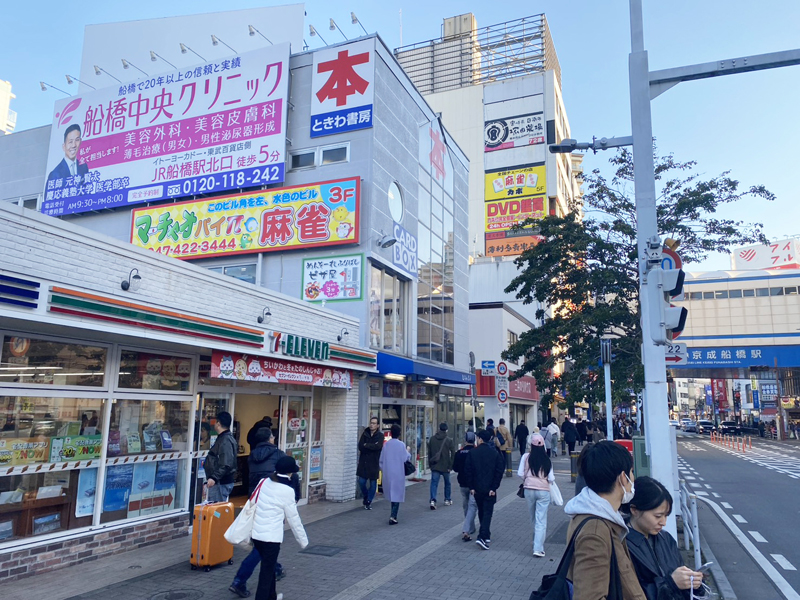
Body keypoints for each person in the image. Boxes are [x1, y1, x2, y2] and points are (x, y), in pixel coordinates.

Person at [563, 440, 646, 600]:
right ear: (623, 477)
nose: (633, 478)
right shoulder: (595, 532)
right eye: (631, 472)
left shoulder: (595, 515)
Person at [624, 476, 705, 600]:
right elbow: (629, 593)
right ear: (634, 510)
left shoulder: (665, 538)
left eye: (666, 516)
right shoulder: (622, 544)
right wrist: (671, 584)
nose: (663, 522)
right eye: (658, 516)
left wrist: (692, 583)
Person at [230, 428, 286, 598]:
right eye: (272, 436)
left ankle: (275, 568)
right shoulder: (278, 455)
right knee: (264, 546)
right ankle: (239, 580)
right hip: (273, 505)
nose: (274, 438)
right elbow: (285, 478)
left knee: (264, 542)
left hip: (255, 503)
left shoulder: (252, 457)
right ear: (270, 439)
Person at [251, 456, 308, 600]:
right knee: (266, 571)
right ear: (289, 473)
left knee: (268, 568)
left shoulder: (263, 482)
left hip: (257, 534)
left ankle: (272, 596)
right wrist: (303, 541)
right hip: (271, 537)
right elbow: (293, 519)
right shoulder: (287, 491)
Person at [464, 429, 505, 550]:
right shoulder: (495, 453)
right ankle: (483, 536)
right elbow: (499, 471)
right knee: (488, 512)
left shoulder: (473, 453)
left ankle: (485, 534)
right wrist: (494, 487)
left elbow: (468, 471)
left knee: (482, 511)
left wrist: (471, 486)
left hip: (477, 489)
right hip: (490, 489)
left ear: (480, 439)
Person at [519, 433, 554, 557]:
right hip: (543, 491)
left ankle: (535, 541)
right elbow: (551, 478)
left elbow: (520, 474)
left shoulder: (526, 457)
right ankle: (538, 548)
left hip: (529, 489)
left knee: (533, 517)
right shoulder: (546, 459)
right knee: (541, 520)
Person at [379, 424, 410, 524]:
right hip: (398, 472)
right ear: (399, 433)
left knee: (392, 494)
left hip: (388, 472)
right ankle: (393, 515)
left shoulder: (386, 445)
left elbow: (381, 460)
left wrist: (384, 470)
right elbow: (405, 458)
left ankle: (393, 514)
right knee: (397, 493)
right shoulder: (401, 445)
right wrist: (408, 451)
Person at [204, 411, 237, 502]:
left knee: (216, 510)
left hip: (220, 482)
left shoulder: (225, 440)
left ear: (218, 423)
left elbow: (226, 463)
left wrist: (214, 477)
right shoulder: (224, 438)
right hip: (220, 481)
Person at [453, 431, 477, 541]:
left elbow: (455, 468)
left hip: (462, 482)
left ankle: (469, 527)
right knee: (473, 505)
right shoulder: (476, 451)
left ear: (465, 440)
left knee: (466, 505)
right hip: (473, 483)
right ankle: (470, 527)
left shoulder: (459, 452)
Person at [357, 416, 383, 510]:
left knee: (373, 483)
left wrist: (367, 445)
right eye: (371, 423)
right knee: (361, 482)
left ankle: (369, 501)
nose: (371, 425)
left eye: (374, 423)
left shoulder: (380, 435)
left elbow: (378, 447)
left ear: (378, 425)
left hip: (374, 462)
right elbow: (360, 446)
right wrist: (370, 446)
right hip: (364, 462)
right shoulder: (365, 434)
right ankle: (366, 496)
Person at [428, 422, 455, 509]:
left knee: (434, 483)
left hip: (435, 466)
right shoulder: (449, 440)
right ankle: (447, 499)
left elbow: (429, 453)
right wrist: (450, 466)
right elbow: (453, 453)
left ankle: (433, 500)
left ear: (439, 428)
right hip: (445, 466)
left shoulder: (432, 439)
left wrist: (430, 465)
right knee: (447, 483)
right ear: (446, 430)